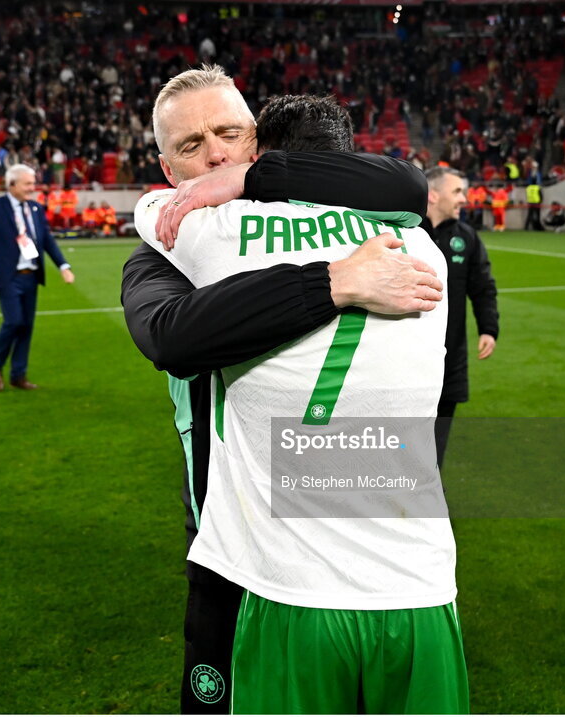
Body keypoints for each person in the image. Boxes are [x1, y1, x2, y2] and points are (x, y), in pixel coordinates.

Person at [121, 66, 442, 715]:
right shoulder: (166, 249)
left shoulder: (309, 213)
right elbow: (170, 336)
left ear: (258, 146)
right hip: (228, 539)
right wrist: (332, 281)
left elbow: (407, 184)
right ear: (167, 167)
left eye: (229, 134)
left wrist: (256, 183)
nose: (214, 153)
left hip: (350, 538)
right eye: (191, 146)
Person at [421, 167, 499, 468]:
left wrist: (488, 328)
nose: (464, 199)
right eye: (457, 192)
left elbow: (483, 287)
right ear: (433, 194)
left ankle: (430, 506)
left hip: (449, 358)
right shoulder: (407, 232)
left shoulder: (466, 238)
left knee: (437, 445)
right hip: (408, 359)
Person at [0, 164, 75, 391]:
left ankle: (18, 374)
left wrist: (63, 265)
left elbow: (47, 240)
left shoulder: (35, 208)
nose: (33, 188)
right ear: (11, 184)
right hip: (7, 277)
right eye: (28, 183)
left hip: (30, 276)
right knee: (13, 322)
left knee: (26, 326)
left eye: (33, 183)